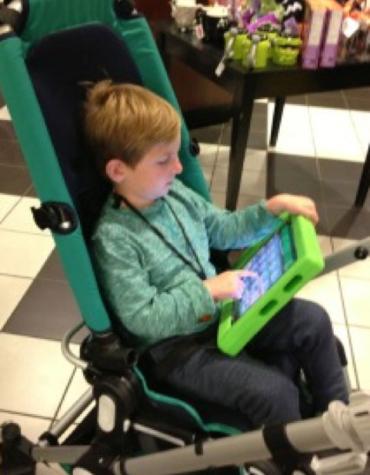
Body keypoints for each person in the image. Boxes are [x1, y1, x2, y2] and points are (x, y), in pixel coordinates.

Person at [86, 80, 348, 430]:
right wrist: (208, 290)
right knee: (276, 393)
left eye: (177, 155)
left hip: (223, 312)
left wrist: (271, 209)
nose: (178, 168)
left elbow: (222, 228)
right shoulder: (114, 238)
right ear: (118, 171)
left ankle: (339, 425)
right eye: (164, 160)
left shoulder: (174, 194)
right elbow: (142, 318)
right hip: (178, 350)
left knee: (313, 322)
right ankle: (300, 461)